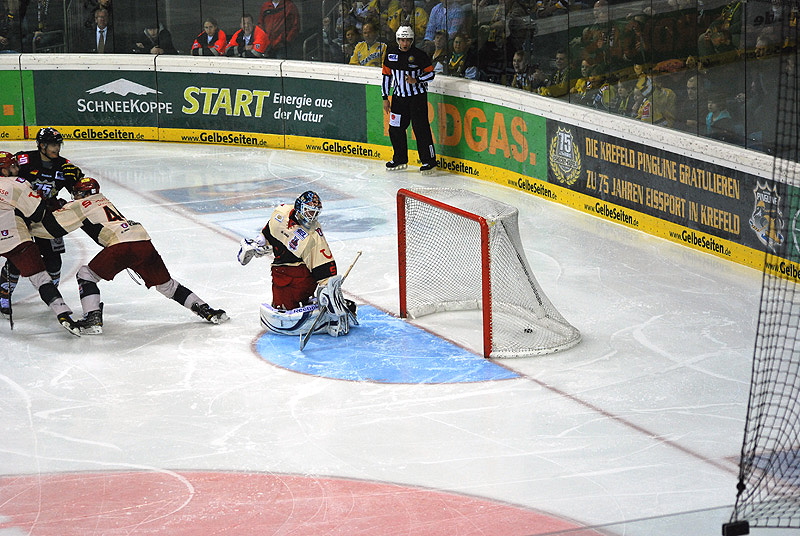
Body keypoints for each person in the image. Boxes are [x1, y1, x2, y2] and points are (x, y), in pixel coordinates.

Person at [29, 176, 228, 335]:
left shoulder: (80, 204)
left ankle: (92, 319)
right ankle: (207, 310)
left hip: (121, 245)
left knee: (85, 275)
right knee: (166, 285)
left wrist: (26, 229)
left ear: (81, 193)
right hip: (141, 239)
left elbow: (51, 230)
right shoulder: (104, 199)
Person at [237, 191, 357, 338]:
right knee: (280, 305)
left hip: (297, 276)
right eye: (309, 211)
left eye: (315, 213)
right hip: (281, 271)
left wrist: (329, 291)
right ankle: (310, 306)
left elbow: (325, 265)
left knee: (284, 307)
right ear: (299, 206)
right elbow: (271, 231)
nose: (312, 216)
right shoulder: (280, 213)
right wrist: (260, 242)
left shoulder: (313, 235)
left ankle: (327, 316)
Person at [0, 127, 81, 317]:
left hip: (47, 216)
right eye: (53, 144)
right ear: (42, 146)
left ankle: (52, 294)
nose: (57, 148)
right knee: (19, 258)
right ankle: (4, 293)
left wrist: (78, 177)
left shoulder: (64, 165)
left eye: (58, 144)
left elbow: (77, 191)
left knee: (53, 261)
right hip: (22, 216)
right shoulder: (24, 160)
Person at [381, 25, 437, 173]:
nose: (404, 43)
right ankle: (399, 158)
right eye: (402, 40)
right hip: (399, 99)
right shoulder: (391, 54)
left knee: (421, 129)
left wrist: (416, 80)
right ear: (397, 40)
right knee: (395, 128)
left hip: (417, 98)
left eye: (407, 40)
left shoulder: (419, 55)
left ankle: (429, 161)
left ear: (412, 40)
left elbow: (431, 75)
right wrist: (385, 97)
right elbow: (386, 76)